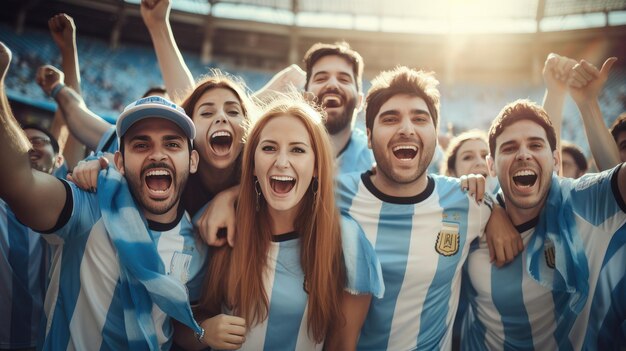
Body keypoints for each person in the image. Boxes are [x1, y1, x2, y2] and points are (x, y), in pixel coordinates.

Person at [0, 41, 206, 348]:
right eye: (141, 145)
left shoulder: (201, 245)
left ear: (192, 161)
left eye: (172, 144)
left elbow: (180, 330)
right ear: (120, 162)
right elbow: (17, 183)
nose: (157, 154)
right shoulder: (88, 205)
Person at [174, 96, 383, 350]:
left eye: (297, 149)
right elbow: (174, 330)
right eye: (269, 148)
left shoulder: (347, 240)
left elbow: (342, 344)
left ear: (316, 166)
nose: (282, 162)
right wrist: (203, 332)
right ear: (251, 164)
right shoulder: (217, 224)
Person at [336, 66, 521, 350]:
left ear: (435, 137)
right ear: (370, 137)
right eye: (391, 118)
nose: (407, 128)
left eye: (420, 119)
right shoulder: (333, 194)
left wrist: (495, 211)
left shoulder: (468, 202)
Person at [461, 99, 626, 350]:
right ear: (491, 166)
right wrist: (489, 206)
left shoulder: (585, 201)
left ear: (556, 160)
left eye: (535, 145)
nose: (524, 154)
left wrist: (588, 102)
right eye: (509, 148)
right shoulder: (473, 216)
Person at [0, 124, 63, 351]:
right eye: (20, 141)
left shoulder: (75, 206)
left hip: (47, 341)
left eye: (38, 141)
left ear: (59, 161)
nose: (28, 146)